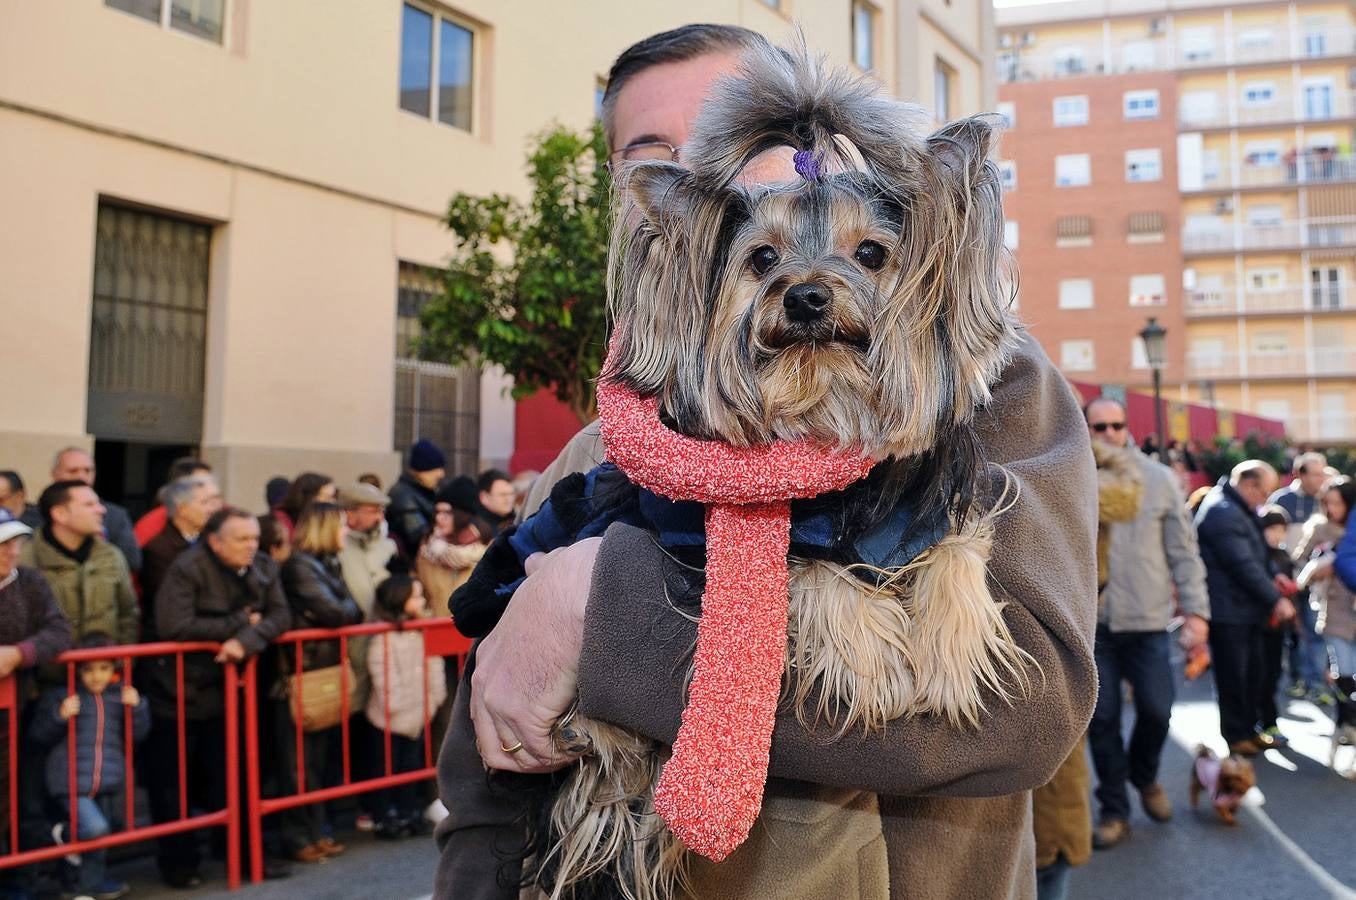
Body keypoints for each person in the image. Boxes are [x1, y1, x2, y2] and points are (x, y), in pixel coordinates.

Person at [437, 24, 1098, 899]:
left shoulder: (984, 387)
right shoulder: (603, 444)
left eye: (727, 137)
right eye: (657, 154)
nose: (702, 173)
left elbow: (1028, 705)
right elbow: (488, 756)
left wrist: (597, 609)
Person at [1082, 399, 1210, 849]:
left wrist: (1196, 613)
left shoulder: (1158, 479)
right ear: (1088, 427)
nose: (1110, 432)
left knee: (1157, 710)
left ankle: (1145, 776)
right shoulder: (1072, 475)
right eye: (1100, 425)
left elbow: (1183, 552)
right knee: (1103, 722)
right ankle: (1114, 809)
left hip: (1149, 621)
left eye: (1117, 424)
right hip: (1093, 625)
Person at [148, 507, 292, 887]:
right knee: (174, 784)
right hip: (181, 692)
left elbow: (280, 615)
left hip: (235, 692)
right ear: (214, 541)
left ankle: (245, 855)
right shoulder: (188, 568)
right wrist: (242, 623)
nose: (251, 546)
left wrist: (244, 641)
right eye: (241, 539)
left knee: (241, 776)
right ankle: (179, 865)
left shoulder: (262, 565)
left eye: (254, 539)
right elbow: (174, 625)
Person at [31, 632, 150, 900]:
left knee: (103, 835)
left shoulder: (119, 696)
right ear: (76, 670)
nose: (97, 676)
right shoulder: (63, 697)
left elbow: (138, 735)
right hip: (71, 781)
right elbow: (38, 734)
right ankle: (60, 834)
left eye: (104, 669)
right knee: (95, 829)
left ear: (114, 669)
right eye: (89, 670)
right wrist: (59, 716)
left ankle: (85, 885)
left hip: (108, 778)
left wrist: (138, 707)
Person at [277, 502, 362, 864]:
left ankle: (316, 831)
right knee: (297, 763)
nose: (345, 532)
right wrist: (341, 609)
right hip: (301, 672)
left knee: (317, 760)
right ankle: (299, 837)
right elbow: (336, 611)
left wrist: (342, 609)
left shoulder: (327, 562)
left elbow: (352, 609)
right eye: (341, 526)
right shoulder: (300, 565)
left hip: (322, 667)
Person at [1195, 461, 1295, 756]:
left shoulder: (1235, 506)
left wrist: (1272, 574)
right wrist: (1276, 599)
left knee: (1253, 673)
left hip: (1245, 610)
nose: (1265, 500)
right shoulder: (1222, 510)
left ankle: (1248, 729)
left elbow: (1256, 556)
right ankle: (1237, 735)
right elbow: (1242, 565)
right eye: (1264, 493)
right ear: (1249, 484)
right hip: (1229, 612)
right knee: (1234, 677)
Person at [0, 509, 72, 861]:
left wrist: (20, 653)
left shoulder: (29, 581)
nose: (11, 551)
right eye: (2, 544)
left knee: (13, 796)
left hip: (17, 708)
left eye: (15, 542)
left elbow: (59, 631)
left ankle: (16, 878)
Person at [365, 570, 446, 839]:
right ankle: (383, 815)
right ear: (400, 600)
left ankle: (408, 810)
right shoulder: (383, 636)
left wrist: (434, 699)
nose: (422, 601)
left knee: (411, 766)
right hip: (389, 717)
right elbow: (382, 676)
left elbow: (434, 666)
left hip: (419, 710)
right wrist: (398, 707)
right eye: (416, 596)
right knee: (385, 768)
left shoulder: (423, 629)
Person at [21, 481, 138, 661]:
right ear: (60, 514)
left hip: (104, 677)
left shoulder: (111, 556)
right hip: (47, 678)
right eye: (89, 505)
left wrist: (121, 664)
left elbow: (128, 614)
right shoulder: (26, 558)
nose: (101, 510)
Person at [1270, 451, 1330, 701]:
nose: (1320, 479)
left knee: (1315, 632)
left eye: (1321, 473)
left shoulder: (1326, 500)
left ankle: (1317, 683)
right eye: (1315, 474)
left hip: (1317, 582)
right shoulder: (1281, 500)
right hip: (1288, 581)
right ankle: (1298, 680)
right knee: (1293, 635)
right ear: (1299, 474)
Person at [139, 475, 224, 640]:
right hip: (172, 638)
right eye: (204, 503)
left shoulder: (212, 540)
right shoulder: (158, 549)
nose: (211, 509)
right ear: (182, 509)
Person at [1294, 478, 1356, 683]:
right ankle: (1343, 712)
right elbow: (1299, 562)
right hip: (1334, 609)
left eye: (1338, 503)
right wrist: (1316, 571)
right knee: (1344, 671)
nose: (1331, 508)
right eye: (1328, 502)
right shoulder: (1320, 528)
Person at [49, 447, 141, 574]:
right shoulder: (39, 514)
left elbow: (132, 561)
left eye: (88, 471)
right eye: (73, 471)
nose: (81, 477)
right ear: (55, 474)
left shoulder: (115, 516)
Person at [1257, 505, 1298, 745]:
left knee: (1273, 675)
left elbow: (1291, 594)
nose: (1276, 534)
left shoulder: (1284, 557)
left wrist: (1292, 626)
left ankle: (1268, 721)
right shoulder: (1257, 556)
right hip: (1256, 625)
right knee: (1258, 675)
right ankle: (1262, 721)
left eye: (1281, 529)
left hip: (1277, 627)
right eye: (1271, 529)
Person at [417, 477, 487, 619]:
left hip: (472, 634)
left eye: (447, 513)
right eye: (437, 512)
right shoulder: (426, 551)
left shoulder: (485, 552)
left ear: (462, 515)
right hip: (437, 631)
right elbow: (422, 597)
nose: (439, 518)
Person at [133, 457, 213, 547]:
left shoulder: (223, 518)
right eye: (200, 484)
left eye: (211, 483)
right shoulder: (152, 525)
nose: (210, 489)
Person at [387, 440, 445, 556]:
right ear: (421, 471)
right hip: (411, 564)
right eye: (436, 468)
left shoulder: (425, 492)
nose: (441, 474)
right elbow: (418, 536)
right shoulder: (402, 495)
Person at [274, 472, 337, 539]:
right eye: (327, 497)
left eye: (334, 497)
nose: (333, 502)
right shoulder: (281, 521)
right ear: (309, 498)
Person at [473, 470, 515, 540]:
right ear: (484, 497)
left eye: (511, 494)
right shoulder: (474, 528)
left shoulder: (518, 522)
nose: (509, 499)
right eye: (503, 495)